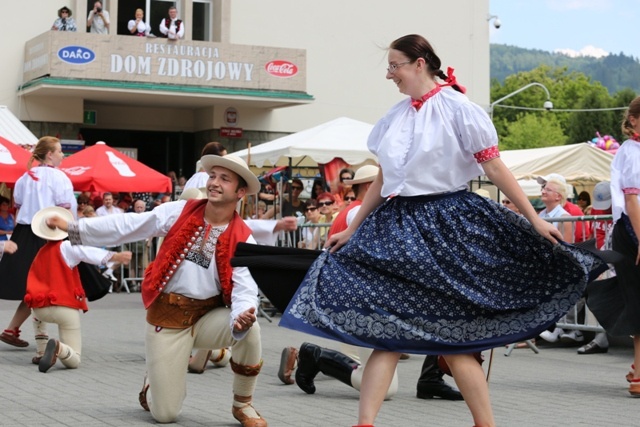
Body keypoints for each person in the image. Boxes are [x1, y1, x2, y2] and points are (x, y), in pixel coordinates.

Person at [278, 34, 605, 427]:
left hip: (448, 225)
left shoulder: (457, 108)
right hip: (397, 228)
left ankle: (485, 424)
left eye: (394, 65)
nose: (389, 74)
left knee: (456, 341)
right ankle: (364, 423)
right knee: (386, 333)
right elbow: (385, 179)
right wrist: (353, 227)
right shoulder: (397, 116)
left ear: (420, 64)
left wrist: (533, 217)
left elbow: (494, 166)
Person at [46, 155, 268, 426]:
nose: (214, 183)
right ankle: (154, 381)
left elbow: (245, 288)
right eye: (212, 176)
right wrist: (74, 228)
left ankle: (242, 404)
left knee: (251, 329)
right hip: (168, 317)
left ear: (240, 191)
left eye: (225, 179)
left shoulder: (243, 236)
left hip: (208, 317)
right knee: (166, 415)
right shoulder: (179, 210)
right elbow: (128, 225)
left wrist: (242, 315)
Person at [26, 207, 132, 371]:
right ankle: (59, 348)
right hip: (65, 307)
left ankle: (41, 350)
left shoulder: (39, 254)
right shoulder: (66, 246)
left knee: (35, 313)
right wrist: (115, 256)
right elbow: (85, 252)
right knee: (74, 360)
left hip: (41, 308)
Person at [0, 136, 77, 349]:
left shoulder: (26, 177)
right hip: (50, 232)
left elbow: (19, 206)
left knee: (33, 286)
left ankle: (13, 329)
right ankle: (48, 339)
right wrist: (76, 237)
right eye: (60, 151)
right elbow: (67, 210)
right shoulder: (59, 178)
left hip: (24, 232)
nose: (63, 154)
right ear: (50, 154)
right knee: (49, 286)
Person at [589, 97, 640, 396]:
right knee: (636, 300)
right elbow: (632, 200)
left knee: (635, 298)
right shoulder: (631, 151)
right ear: (633, 120)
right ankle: (638, 374)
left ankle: (637, 368)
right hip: (633, 230)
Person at [577, 181, 612, 355]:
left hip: (619, 255)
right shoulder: (597, 209)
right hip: (603, 256)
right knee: (595, 290)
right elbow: (594, 232)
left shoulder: (626, 206)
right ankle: (599, 337)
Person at [537, 174, 591, 242]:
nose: (543, 191)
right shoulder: (542, 213)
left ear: (559, 195)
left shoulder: (571, 212)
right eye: (543, 187)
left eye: (548, 189)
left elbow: (571, 244)